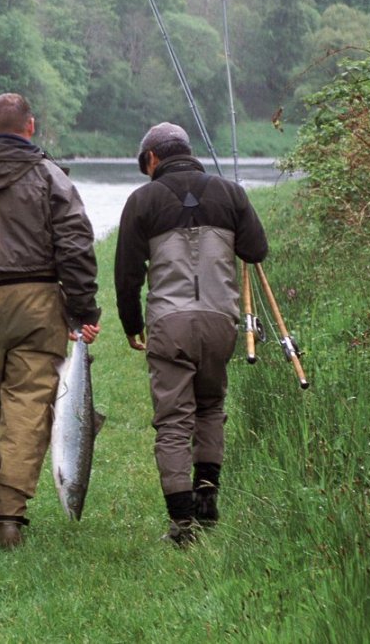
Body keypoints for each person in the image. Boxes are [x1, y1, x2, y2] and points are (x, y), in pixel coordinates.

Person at [0, 92, 101, 549]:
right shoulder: (50, 176)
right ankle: (10, 513)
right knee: (28, 406)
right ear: (30, 127)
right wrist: (83, 308)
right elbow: (75, 244)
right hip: (37, 300)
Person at [114, 122, 268, 547]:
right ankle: (206, 497)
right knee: (211, 407)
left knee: (172, 421)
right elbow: (256, 250)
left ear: (152, 159)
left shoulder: (142, 200)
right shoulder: (230, 192)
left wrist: (132, 325)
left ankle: (182, 525)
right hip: (222, 322)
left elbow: (127, 275)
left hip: (170, 323)